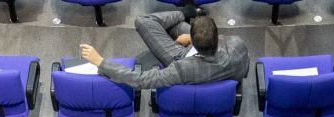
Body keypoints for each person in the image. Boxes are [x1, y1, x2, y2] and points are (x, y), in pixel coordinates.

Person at [77, 8, 249, 89]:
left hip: (187, 60)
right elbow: (225, 43)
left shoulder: (180, 69)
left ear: (193, 45)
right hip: (210, 61)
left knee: (144, 22)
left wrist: (101, 62)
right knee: (175, 27)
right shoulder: (238, 45)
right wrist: (191, 37)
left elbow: (140, 79)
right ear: (217, 34)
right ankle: (186, 16)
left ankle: (184, 12)